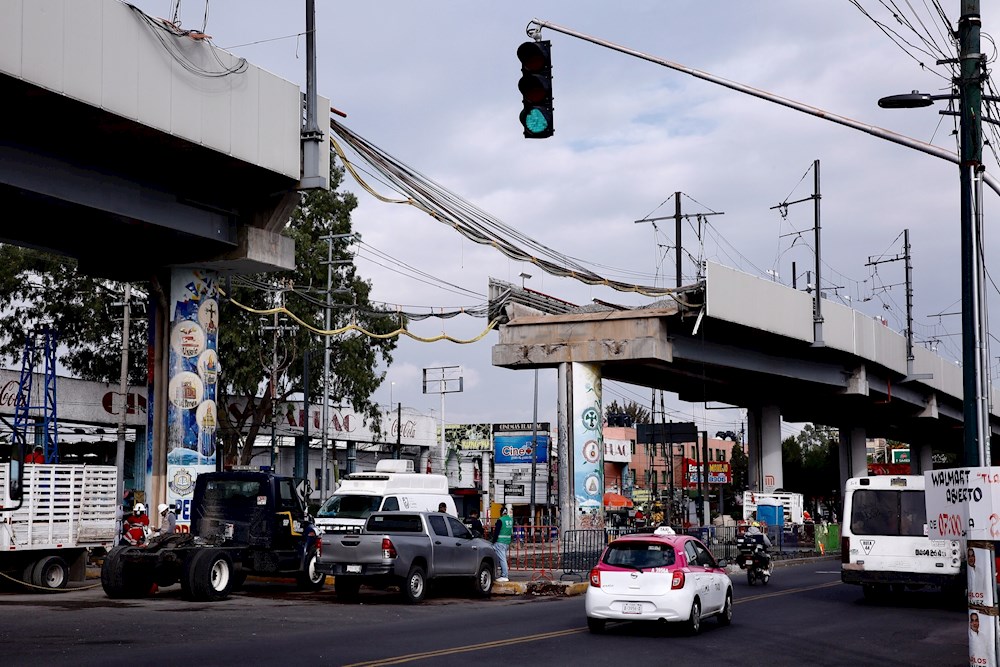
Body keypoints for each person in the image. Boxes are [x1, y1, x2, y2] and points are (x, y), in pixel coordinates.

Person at [491, 506, 514, 582]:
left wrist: (493, 541)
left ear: (501, 513)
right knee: (501, 558)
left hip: (500, 542)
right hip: (507, 542)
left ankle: (504, 575)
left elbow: (496, 532)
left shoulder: (500, 520)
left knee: (502, 559)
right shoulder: (510, 520)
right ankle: (501, 574)